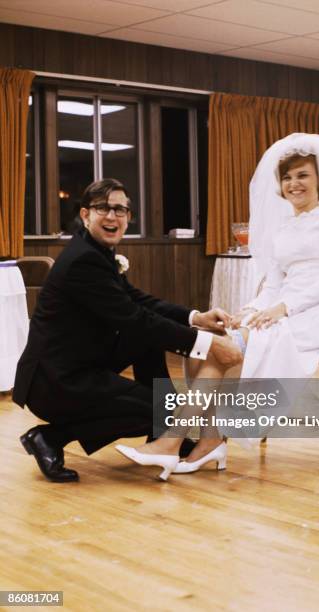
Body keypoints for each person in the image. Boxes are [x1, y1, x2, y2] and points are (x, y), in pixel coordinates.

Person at [116, 133, 319, 480]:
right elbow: (272, 284)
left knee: (226, 348)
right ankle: (206, 441)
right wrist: (248, 311)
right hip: (280, 307)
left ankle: (174, 443)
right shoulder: (284, 227)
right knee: (208, 341)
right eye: (287, 177)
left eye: (302, 175)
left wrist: (283, 309)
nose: (293, 184)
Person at [13, 178, 242, 483]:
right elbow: (135, 319)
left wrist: (196, 317)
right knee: (163, 398)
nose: (113, 216)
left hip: (79, 362)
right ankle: (51, 437)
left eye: (120, 209)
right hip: (54, 382)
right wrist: (208, 345)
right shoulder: (83, 260)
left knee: (146, 345)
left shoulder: (95, 251)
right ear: (85, 215)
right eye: (103, 208)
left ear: (129, 217)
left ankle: (164, 434)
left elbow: (137, 301)